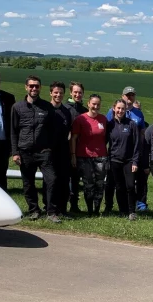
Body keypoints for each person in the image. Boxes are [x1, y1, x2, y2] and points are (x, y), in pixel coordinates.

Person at [10, 75, 59, 223]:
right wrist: (15, 152)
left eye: (36, 86)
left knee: (52, 180)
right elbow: (13, 131)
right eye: (31, 86)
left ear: (40, 88)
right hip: (25, 151)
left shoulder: (47, 107)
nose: (34, 88)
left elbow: (52, 130)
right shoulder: (17, 107)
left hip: (44, 152)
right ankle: (34, 210)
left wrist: (50, 147)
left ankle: (51, 211)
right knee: (28, 183)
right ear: (26, 87)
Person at [70, 94, 108, 215]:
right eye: (93, 104)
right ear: (88, 104)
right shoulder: (81, 119)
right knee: (88, 184)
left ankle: (97, 209)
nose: (95, 106)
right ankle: (90, 209)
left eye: (98, 104)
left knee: (100, 184)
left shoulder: (103, 119)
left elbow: (106, 137)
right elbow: (74, 138)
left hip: (101, 156)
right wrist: (73, 155)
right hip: (84, 157)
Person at [107, 99, 141, 221]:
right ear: (114, 108)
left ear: (126, 110)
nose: (120, 110)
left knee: (130, 186)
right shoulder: (110, 124)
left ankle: (132, 211)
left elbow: (137, 144)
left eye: (123, 108)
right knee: (119, 187)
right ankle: (122, 210)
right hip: (114, 160)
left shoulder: (131, 124)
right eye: (118, 108)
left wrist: (135, 161)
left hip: (129, 161)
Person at [48, 81, 74, 216]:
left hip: (63, 151)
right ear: (51, 93)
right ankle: (50, 209)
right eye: (56, 92)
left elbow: (69, 131)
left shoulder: (66, 112)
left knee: (64, 181)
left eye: (61, 93)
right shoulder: (46, 109)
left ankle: (62, 209)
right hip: (48, 151)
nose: (58, 95)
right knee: (51, 181)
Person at [67, 81, 87, 214]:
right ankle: (62, 204)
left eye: (80, 92)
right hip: (66, 149)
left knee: (75, 179)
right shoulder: (65, 108)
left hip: (81, 150)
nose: (77, 94)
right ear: (70, 93)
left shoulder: (85, 111)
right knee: (65, 179)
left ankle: (74, 205)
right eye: (75, 92)